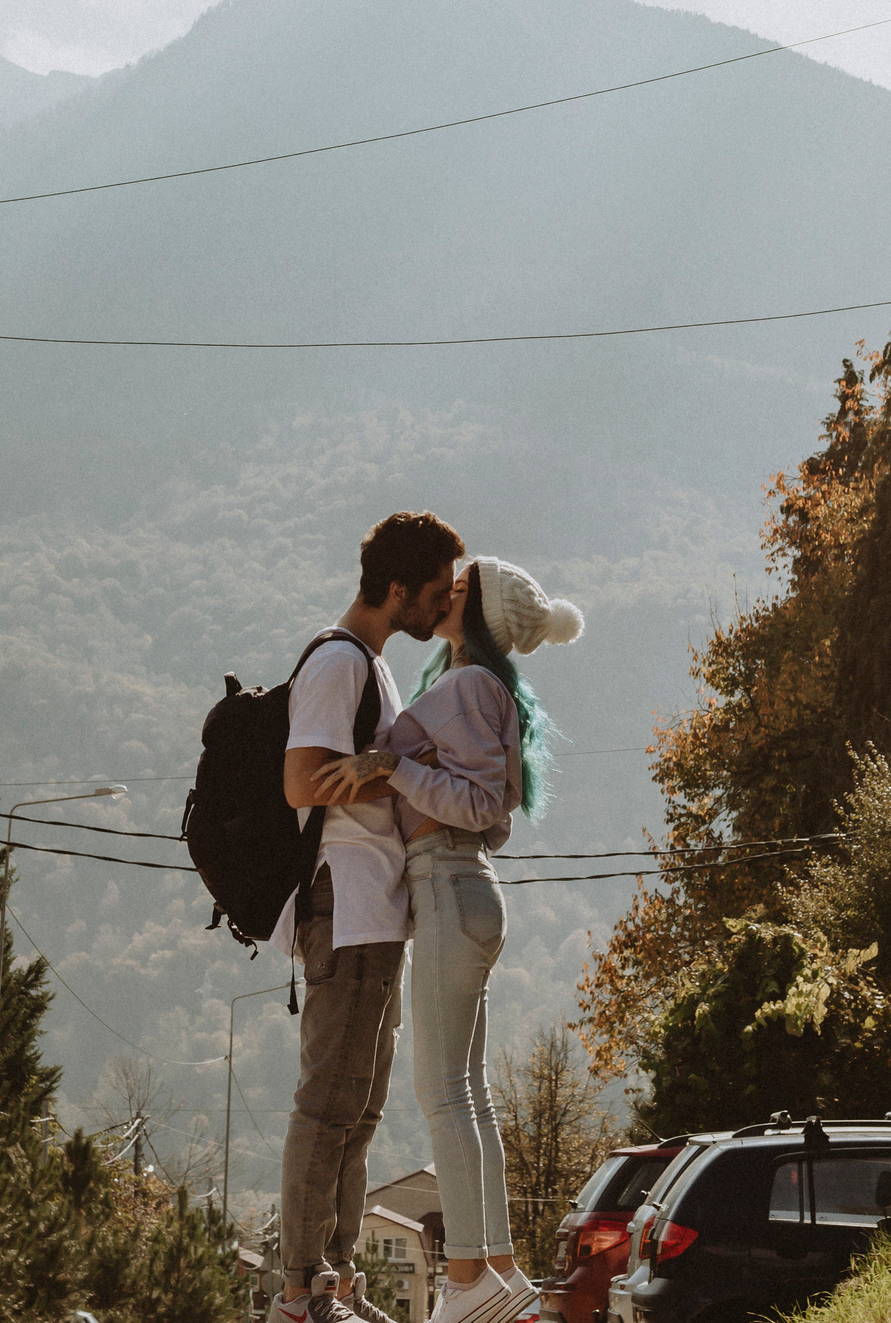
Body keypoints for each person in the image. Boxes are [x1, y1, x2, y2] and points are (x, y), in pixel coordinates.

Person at [320, 556, 585, 1323]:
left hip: (445, 884)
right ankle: (496, 1269)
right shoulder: (490, 689)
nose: (446, 592)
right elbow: (494, 810)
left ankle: (467, 1278)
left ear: (483, 616)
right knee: (470, 1093)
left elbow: (472, 805)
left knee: (443, 1092)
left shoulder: (470, 686)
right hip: (469, 889)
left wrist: (392, 765)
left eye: (461, 589)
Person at [273, 511, 466, 1323]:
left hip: (377, 915)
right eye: (433, 592)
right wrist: (401, 773)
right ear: (396, 589)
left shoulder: (377, 668)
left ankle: (337, 1278)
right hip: (343, 905)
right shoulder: (339, 662)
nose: (439, 606)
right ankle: (297, 1289)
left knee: (360, 1105)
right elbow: (302, 781)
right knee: (327, 1103)